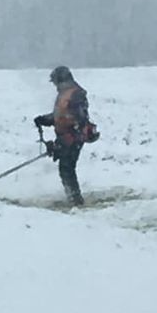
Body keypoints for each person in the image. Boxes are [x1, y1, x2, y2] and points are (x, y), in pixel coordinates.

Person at [33, 65, 93, 207]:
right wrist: (43, 119)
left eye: (55, 82)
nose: (54, 85)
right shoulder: (64, 94)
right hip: (66, 137)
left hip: (73, 138)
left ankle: (75, 201)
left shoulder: (76, 95)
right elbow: (59, 117)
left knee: (66, 168)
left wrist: (70, 138)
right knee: (66, 168)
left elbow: (80, 119)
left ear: (61, 80)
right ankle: (74, 198)